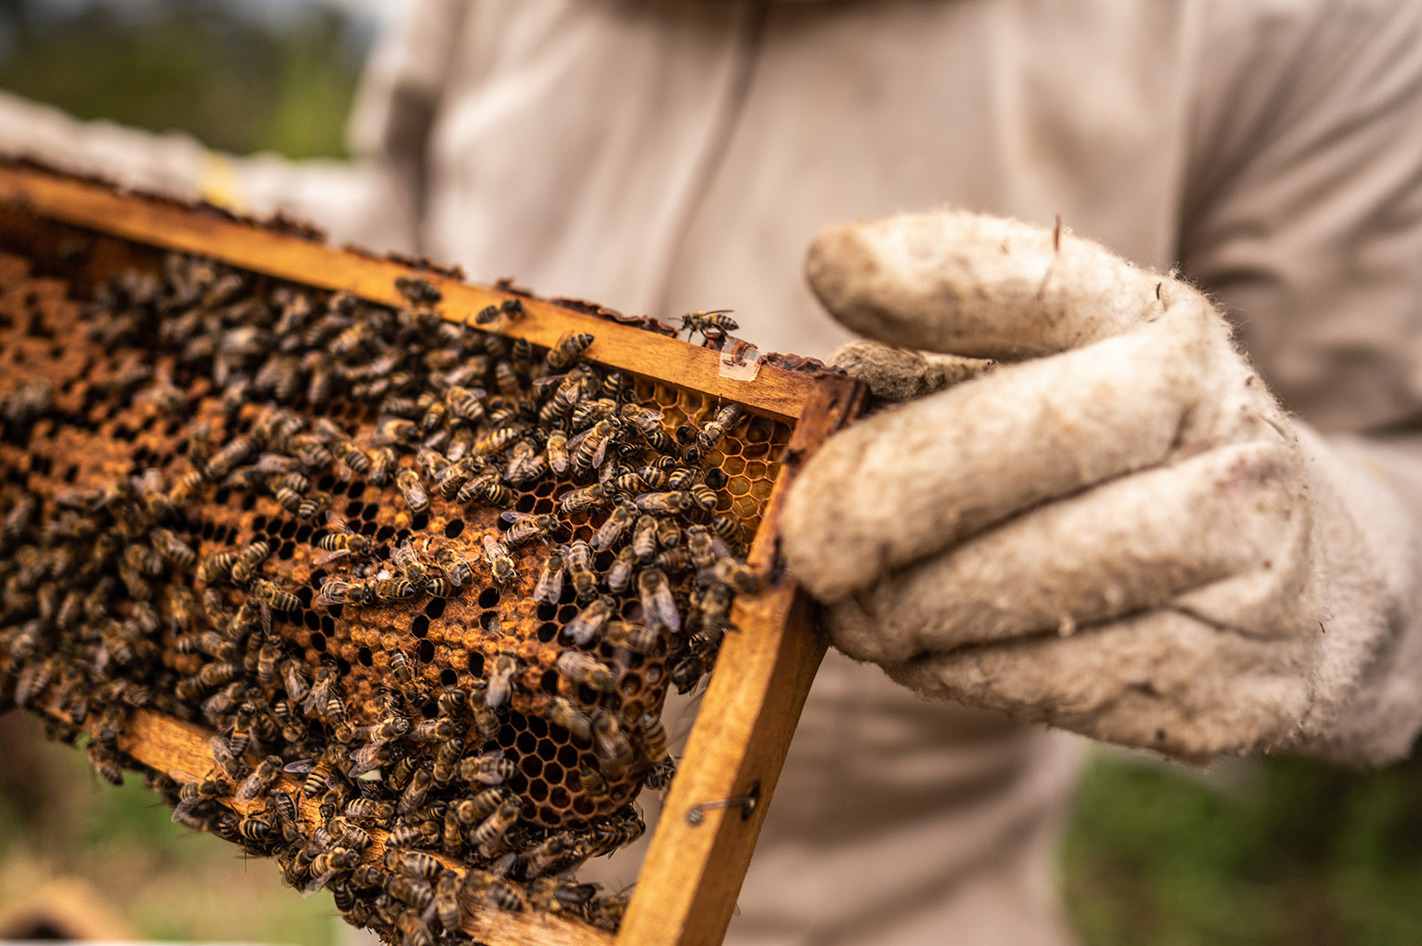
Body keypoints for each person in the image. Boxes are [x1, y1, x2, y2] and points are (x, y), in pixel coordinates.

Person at [5, 1, 1422, 942]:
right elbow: (405, 250)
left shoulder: (1314, 31)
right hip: (422, 875)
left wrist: (1325, 567)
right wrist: (93, 200)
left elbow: (1394, 472)